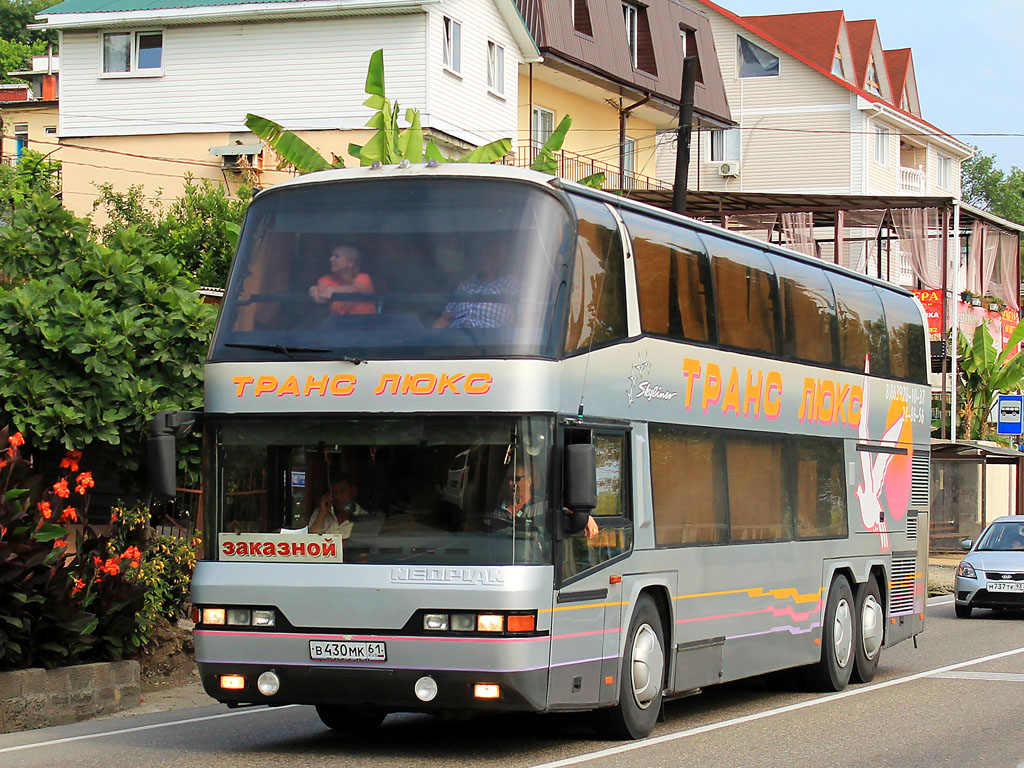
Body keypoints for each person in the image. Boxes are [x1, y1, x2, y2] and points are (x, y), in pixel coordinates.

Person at [485, 462, 599, 539]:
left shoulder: (544, 506)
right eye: (508, 479)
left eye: (516, 479)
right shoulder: (494, 510)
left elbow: (566, 511)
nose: (511, 483)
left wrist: (585, 518)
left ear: (529, 481)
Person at [433, 243, 515, 328]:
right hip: (457, 335)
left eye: (491, 255)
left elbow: (523, 319)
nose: (484, 258)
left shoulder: (511, 285)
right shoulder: (464, 286)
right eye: (482, 255)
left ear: (503, 261)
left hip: (491, 337)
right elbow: (445, 318)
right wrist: (433, 336)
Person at [309, 245, 376, 315]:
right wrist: (313, 289)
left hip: (365, 323)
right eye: (332, 256)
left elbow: (355, 289)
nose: (331, 259)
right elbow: (321, 293)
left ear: (350, 263)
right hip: (338, 324)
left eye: (337, 256)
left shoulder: (364, 277)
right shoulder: (327, 279)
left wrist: (332, 290)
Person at [309, 475, 378, 538]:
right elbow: (311, 541)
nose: (337, 496)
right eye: (333, 492)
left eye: (342, 491)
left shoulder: (364, 518)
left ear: (353, 492)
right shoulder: (320, 513)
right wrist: (322, 514)